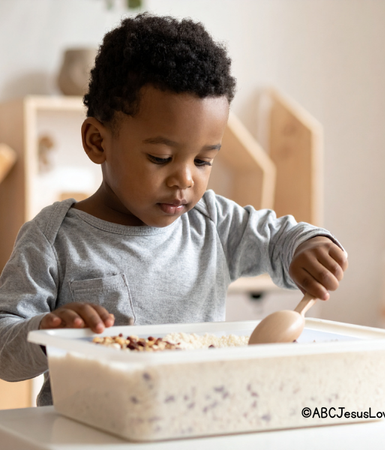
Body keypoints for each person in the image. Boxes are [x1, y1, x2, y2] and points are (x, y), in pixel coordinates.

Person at [0, 14, 348, 406]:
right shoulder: (54, 238)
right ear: (98, 141)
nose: (184, 179)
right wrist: (48, 333)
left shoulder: (213, 222)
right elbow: (4, 351)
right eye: (160, 157)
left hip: (198, 423)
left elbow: (279, 238)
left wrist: (307, 246)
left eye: (203, 161)